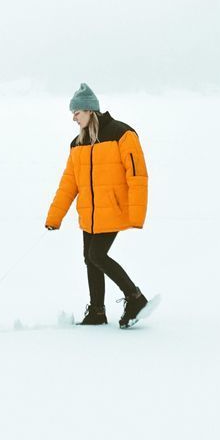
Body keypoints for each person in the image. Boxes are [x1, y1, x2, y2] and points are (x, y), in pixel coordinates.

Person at [44, 82, 150, 327]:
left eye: (77, 112)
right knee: (89, 257)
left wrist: (136, 214)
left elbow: (137, 175)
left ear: (90, 111)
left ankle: (136, 298)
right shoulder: (77, 144)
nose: (73, 118)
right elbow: (68, 184)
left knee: (97, 254)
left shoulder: (121, 134)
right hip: (90, 213)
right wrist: (54, 217)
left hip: (113, 209)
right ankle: (97, 312)